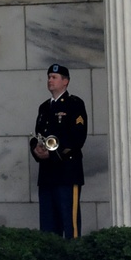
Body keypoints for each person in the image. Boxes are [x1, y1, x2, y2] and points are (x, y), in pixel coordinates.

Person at [30, 62, 87, 238]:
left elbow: (77, 137)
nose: (50, 80)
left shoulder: (74, 104)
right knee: (48, 226)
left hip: (67, 173)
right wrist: (36, 149)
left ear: (65, 81)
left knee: (70, 225)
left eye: (54, 77)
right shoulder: (44, 107)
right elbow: (37, 134)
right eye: (49, 77)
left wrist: (53, 153)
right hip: (47, 174)